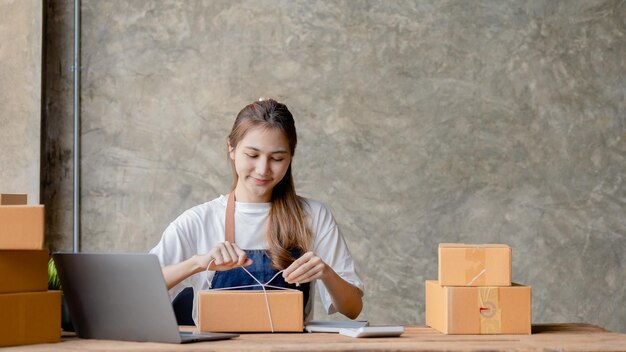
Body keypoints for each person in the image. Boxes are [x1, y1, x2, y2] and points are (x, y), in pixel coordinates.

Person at [149, 98, 364, 325]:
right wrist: (198, 264)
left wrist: (327, 274)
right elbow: (141, 292)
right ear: (231, 148)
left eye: (277, 158)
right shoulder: (198, 221)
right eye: (252, 155)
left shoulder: (313, 215)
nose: (263, 169)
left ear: (291, 157)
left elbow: (352, 309)